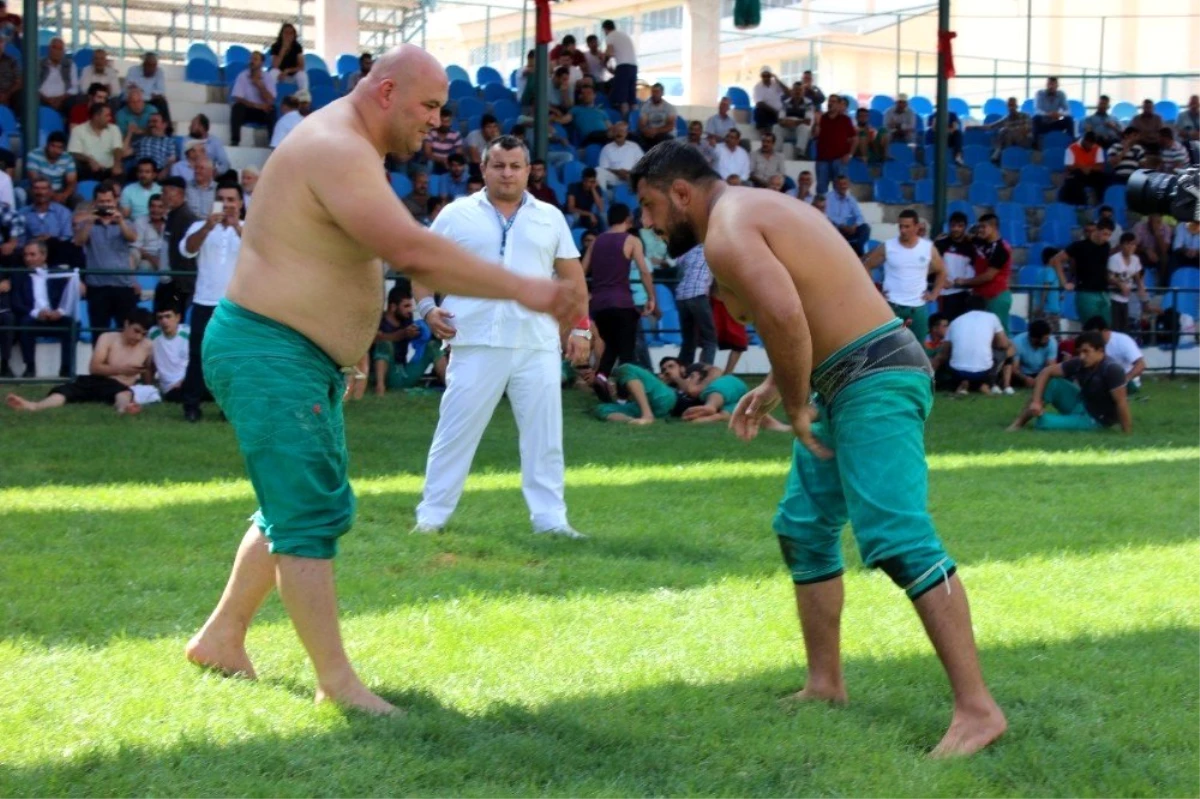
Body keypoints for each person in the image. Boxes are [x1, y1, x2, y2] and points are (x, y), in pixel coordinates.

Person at [185, 46, 582, 716]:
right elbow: (411, 252)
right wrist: (529, 289)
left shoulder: (347, 147)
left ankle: (222, 637)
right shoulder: (338, 146)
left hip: (293, 354)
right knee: (306, 511)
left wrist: (333, 357)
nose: (436, 122)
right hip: (269, 348)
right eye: (428, 106)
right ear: (388, 91)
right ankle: (336, 682)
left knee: (303, 499)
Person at [630, 140, 1006, 756]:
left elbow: (781, 312)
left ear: (681, 194)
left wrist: (799, 403)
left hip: (874, 377)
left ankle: (978, 710)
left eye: (649, 207)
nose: (648, 223)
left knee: (899, 539)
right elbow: (811, 301)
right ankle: (825, 684)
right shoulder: (752, 208)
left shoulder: (727, 230)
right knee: (804, 528)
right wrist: (782, 385)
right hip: (853, 373)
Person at [412, 133, 588, 538]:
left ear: (529, 171)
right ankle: (432, 516)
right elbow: (421, 268)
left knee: (545, 438)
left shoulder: (550, 216)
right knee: (455, 432)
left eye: (515, 166)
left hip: (536, 341)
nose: (507, 173)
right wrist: (426, 309)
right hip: (473, 338)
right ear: (483, 169)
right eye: (498, 165)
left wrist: (580, 327)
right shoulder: (456, 214)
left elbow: (573, 280)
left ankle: (551, 520)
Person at [178, 181, 244, 422]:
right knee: (197, 355)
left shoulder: (249, 227)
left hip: (236, 305)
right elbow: (187, 250)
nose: (226, 204)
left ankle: (229, 407)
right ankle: (191, 406)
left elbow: (259, 252)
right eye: (222, 199)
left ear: (240, 203)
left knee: (232, 358)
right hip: (204, 301)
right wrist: (208, 226)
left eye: (231, 200)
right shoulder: (200, 226)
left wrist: (236, 226)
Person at [5, 309, 153, 415]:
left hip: (120, 386)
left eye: (143, 334)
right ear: (126, 324)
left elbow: (148, 369)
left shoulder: (148, 346)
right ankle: (35, 406)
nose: (139, 337)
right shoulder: (108, 338)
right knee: (66, 391)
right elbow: (94, 368)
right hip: (97, 380)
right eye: (136, 331)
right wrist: (121, 369)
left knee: (124, 393)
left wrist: (148, 386)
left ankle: (123, 409)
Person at [1007, 331, 1131, 433]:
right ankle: (1018, 423)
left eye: (1086, 351)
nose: (1082, 356)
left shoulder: (1112, 369)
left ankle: (1044, 418)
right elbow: (1046, 372)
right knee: (1053, 383)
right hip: (1082, 402)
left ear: (1100, 351)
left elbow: (1121, 403)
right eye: (1080, 352)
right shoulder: (1079, 362)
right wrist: (1036, 401)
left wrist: (1127, 433)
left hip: (1096, 418)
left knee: (1044, 423)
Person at [584, 203, 655, 378]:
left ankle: (601, 378)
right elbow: (644, 272)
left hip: (599, 305)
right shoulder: (632, 240)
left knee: (611, 345)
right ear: (628, 219)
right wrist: (651, 297)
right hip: (622, 302)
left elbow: (581, 271)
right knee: (626, 352)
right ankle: (624, 397)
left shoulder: (597, 241)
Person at [861, 209, 945, 343]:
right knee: (887, 347)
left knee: (918, 350)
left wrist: (934, 293)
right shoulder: (888, 246)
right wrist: (875, 293)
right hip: (892, 306)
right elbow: (866, 265)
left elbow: (941, 271)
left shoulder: (927, 248)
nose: (903, 230)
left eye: (907, 226)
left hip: (917, 307)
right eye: (900, 226)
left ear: (917, 227)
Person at [75, 182, 138, 330]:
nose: (105, 205)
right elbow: (79, 241)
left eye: (108, 201)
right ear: (95, 203)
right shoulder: (87, 223)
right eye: (101, 202)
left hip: (122, 285)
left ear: (115, 201)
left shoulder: (126, 222)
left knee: (125, 333)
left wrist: (120, 221)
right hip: (97, 287)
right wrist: (90, 219)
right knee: (98, 332)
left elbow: (132, 238)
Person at [9, 239, 76, 377]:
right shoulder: (18, 275)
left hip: (55, 316)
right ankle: (30, 368)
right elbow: (16, 302)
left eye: (32, 255)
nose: (28, 258)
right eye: (26, 255)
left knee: (72, 324)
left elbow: (68, 296)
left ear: (44, 255)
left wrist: (60, 312)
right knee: (24, 323)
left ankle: (66, 368)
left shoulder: (58, 273)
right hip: (33, 316)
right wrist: (36, 313)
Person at [931, 295, 1012, 396]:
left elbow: (944, 354)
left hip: (957, 371)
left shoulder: (955, 321)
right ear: (986, 307)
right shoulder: (992, 318)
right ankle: (989, 384)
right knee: (1009, 350)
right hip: (983, 372)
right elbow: (1003, 344)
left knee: (946, 355)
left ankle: (926, 383)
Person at [370, 286, 446, 393]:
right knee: (384, 344)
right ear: (393, 307)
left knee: (433, 346)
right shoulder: (379, 321)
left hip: (405, 372)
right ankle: (380, 388)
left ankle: (450, 387)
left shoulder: (406, 320)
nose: (410, 310)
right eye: (406, 306)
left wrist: (421, 333)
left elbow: (414, 340)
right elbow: (376, 338)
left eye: (411, 306)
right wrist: (403, 334)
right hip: (388, 374)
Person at [953, 213, 1013, 334]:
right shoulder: (981, 242)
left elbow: (988, 276)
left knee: (999, 334)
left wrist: (964, 282)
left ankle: (1008, 353)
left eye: (983, 227)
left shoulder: (1001, 249)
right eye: (979, 227)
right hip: (982, 297)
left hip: (996, 297)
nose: (980, 230)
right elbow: (967, 237)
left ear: (994, 228)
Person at [1052, 219, 1115, 325]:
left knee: (1106, 327)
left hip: (1103, 292)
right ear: (1097, 230)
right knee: (1090, 328)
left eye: (1109, 235)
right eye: (1104, 234)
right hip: (1086, 292)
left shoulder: (1106, 246)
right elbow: (1056, 260)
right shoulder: (1079, 246)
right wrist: (1064, 282)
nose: (1106, 238)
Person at [1082, 316, 1145, 393]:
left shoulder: (1122, 341)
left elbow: (1140, 365)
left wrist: (1125, 379)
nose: (1092, 338)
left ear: (1105, 331)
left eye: (1094, 335)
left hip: (1126, 381)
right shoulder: (1091, 344)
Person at [934, 211, 978, 321]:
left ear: (965, 227)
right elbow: (931, 266)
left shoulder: (971, 246)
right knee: (947, 326)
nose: (956, 229)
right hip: (947, 293)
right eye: (953, 225)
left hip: (966, 293)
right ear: (949, 226)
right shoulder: (941, 244)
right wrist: (940, 280)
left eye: (960, 226)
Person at [230, 51, 277, 146]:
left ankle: (273, 143)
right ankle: (235, 140)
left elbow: (270, 100)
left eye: (255, 59)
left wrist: (260, 86)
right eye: (251, 59)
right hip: (248, 110)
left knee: (272, 110)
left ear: (261, 63)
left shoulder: (268, 77)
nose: (252, 61)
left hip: (262, 112)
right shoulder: (243, 76)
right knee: (237, 107)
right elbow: (238, 97)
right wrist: (257, 106)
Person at [1106, 232, 1148, 332]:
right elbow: (1109, 277)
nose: (1130, 247)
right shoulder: (1114, 259)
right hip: (1113, 298)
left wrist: (1141, 288)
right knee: (1114, 327)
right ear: (1121, 245)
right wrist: (1120, 285)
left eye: (1133, 244)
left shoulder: (1135, 259)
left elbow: (1137, 276)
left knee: (1124, 328)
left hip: (1126, 298)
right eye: (1127, 244)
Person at [148, 305, 189, 402]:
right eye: (160, 318)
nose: (164, 321)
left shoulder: (188, 333)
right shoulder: (153, 334)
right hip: (170, 387)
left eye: (168, 316)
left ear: (178, 317)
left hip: (188, 380)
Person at [26, 132, 78, 206]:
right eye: (53, 146)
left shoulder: (68, 158)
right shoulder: (34, 155)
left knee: (77, 198)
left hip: (60, 190)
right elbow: (34, 179)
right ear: (47, 145)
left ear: (64, 148)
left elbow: (72, 182)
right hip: (38, 188)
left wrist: (64, 195)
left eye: (60, 147)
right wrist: (52, 195)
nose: (56, 150)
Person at [125, 52, 171, 126]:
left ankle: (167, 129)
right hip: (135, 99)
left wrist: (141, 92)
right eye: (149, 65)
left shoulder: (159, 72)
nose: (152, 68)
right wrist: (148, 94)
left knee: (162, 102)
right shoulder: (133, 71)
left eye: (154, 65)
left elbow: (161, 92)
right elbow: (130, 89)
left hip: (150, 101)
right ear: (144, 64)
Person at [1010, 319, 1058, 388]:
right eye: (1045, 338)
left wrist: (1039, 379)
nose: (1048, 340)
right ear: (1035, 339)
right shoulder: (1017, 342)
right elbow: (1015, 368)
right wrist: (1025, 379)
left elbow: (1050, 367)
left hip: (1042, 374)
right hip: (1022, 375)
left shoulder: (1052, 343)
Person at [602, 19, 637, 115]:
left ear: (605, 29)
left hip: (623, 66)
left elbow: (610, 52)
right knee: (632, 99)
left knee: (623, 99)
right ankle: (634, 122)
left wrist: (604, 62)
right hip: (633, 67)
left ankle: (625, 122)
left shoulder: (610, 36)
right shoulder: (624, 35)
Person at [1032, 76, 1073, 145]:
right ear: (1046, 85)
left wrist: (1060, 114)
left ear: (1057, 86)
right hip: (1044, 123)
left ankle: (1071, 143)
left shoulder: (1061, 94)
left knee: (1069, 119)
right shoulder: (1040, 94)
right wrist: (1048, 114)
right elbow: (1037, 110)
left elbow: (1068, 111)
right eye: (1049, 84)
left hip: (1056, 121)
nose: (1051, 87)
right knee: (1036, 119)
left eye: (1053, 84)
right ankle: (1035, 144)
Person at [268, 23, 308, 92]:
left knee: (302, 75)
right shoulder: (275, 46)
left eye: (291, 33)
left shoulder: (297, 47)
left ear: (294, 35)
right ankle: (270, 97)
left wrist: (287, 71)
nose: (288, 35)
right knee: (273, 72)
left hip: (293, 75)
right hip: (279, 75)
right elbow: (275, 65)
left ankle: (304, 98)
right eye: (286, 33)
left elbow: (301, 66)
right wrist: (283, 49)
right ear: (281, 34)